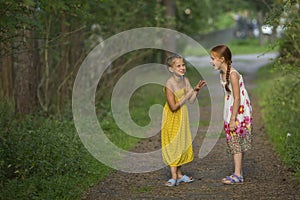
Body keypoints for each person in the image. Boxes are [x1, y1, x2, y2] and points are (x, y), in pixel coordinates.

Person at [209, 44, 253, 184]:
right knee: (234, 141)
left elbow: (237, 98)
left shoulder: (233, 75)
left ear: (222, 59)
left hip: (239, 111)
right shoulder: (222, 74)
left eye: (213, 59)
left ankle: (237, 175)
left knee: (235, 141)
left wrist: (233, 119)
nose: (211, 61)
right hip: (231, 109)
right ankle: (238, 171)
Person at [161, 54, 206, 186]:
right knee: (173, 145)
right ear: (171, 69)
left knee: (181, 144)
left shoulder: (185, 80)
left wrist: (196, 90)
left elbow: (191, 101)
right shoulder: (169, 84)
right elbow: (173, 107)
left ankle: (180, 175)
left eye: (183, 65)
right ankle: (173, 177)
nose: (182, 68)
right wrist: (187, 95)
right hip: (172, 117)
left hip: (183, 117)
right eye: (178, 66)